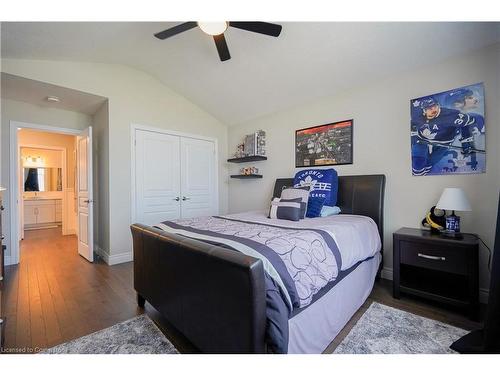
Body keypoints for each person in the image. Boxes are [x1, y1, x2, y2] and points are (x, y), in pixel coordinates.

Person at [411, 96, 476, 175]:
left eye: (435, 106)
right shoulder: (417, 114)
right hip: (421, 140)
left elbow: (468, 121)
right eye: (430, 108)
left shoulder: (450, 115)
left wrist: (466, 141)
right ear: (424, 110)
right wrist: (413, 134)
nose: (434, 109)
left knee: (430, 163)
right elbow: (412, 124)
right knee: (418, 164)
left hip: (443, 142)